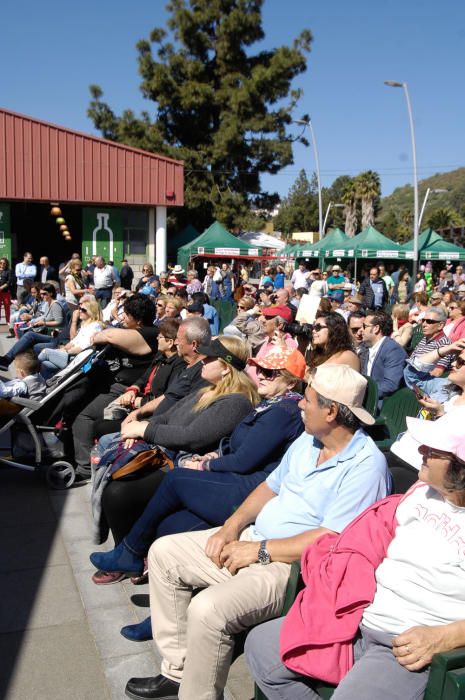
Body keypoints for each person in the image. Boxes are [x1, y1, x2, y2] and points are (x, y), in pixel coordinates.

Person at [123, 365, 391, 700]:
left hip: (294, 570)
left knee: (208, 610)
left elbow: (333, 540)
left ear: (332, 410)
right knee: (164, 553)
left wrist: (259, 549)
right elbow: (269, 487)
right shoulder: (309, 441)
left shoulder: (365, 467)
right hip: (254, 541)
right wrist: (232, 527)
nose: (300, 406)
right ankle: (179, 672)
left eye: (307, 400)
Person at [246, 412, 465, 700]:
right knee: (261, 647)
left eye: (434, 450)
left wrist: (446, 636)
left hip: (405, 647)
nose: (421, 451)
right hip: (358, 619)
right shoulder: (422, 492)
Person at [89, 347, 306, 595]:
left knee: (175, 479)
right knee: (169, 527)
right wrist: (215, 455)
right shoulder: (271, 404)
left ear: (290, 380)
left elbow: (243, 460)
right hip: (236, 477)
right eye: (261, 369)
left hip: (251, 488)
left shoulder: (283, 411)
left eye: (271, 372)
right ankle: (164, 603)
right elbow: (233, 445)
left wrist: (204, 464)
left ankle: (130, 552)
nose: (262, 375)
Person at [0, 283, 65, 370]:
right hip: (49, 332)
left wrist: (43, 323)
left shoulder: (55, 304)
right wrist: (34, 321)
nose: (42, 296)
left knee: (30, 335)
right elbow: (45, 317)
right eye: (41, 294)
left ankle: (7, 359)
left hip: (55, 336)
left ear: (51, 293)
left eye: (45, 294)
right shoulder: (48, 304)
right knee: (25, 332)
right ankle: (10, 361)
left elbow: (59, 321)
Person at [38, 300, 104, 379]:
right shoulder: (85, 325)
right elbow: (73, 341)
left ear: (91, 312)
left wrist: (65, 351)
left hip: (76, 359)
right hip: (70, 355)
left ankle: (29, 375)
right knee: (45, 364)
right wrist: (63, 349)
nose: (79, 311)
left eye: (83, 310)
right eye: (79, 308)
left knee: (45, 352)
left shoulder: (95, 326)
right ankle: (45, 385)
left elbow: (84, 348)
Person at [361, 310, 407, 400]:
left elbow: (390, 385)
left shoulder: (393, 350)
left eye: (364, 326)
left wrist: (362, 392)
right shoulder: (368, 348)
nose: (361, 330)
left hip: (383, 404)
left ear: (376, 328)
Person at [0, 257, 13, 325]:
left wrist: (1, 287)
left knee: (7, 307)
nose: (2, 264)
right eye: (1, 263)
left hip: (5, 292)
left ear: (6, 264)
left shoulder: (9, 271)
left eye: (4, 263)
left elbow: (9, 281)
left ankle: (8, 321)